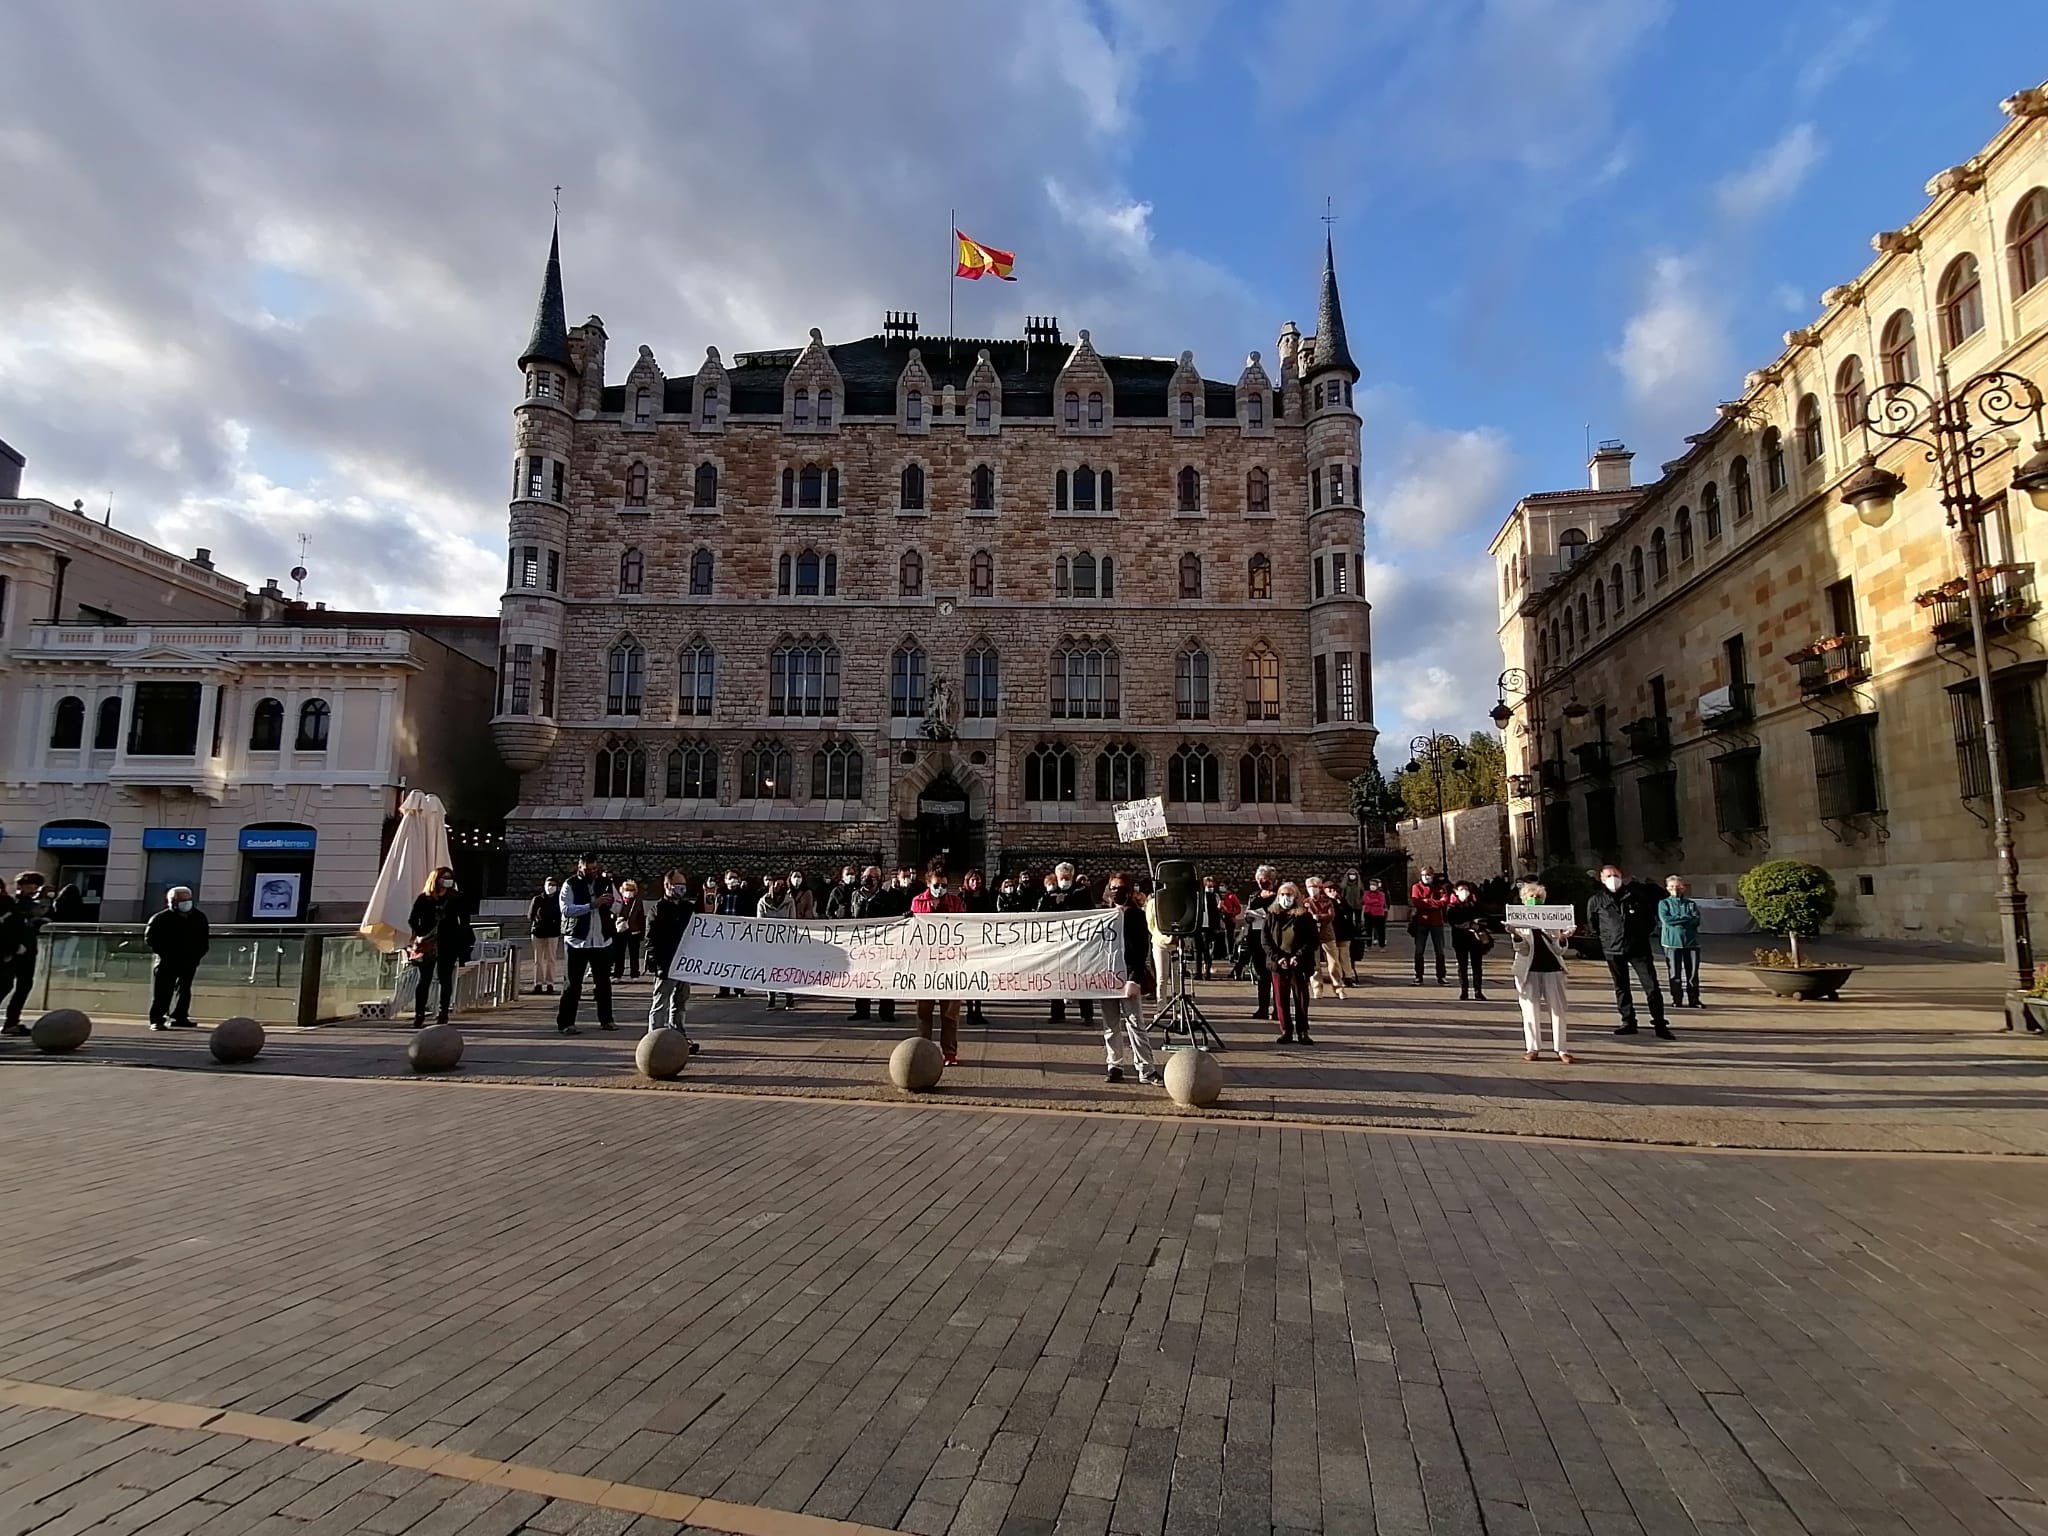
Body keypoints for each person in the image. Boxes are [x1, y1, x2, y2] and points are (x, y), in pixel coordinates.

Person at [1587, 864, 1674, 1039]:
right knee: (1621, 987)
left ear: (1621, 876)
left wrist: (1640, 935)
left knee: (1651, 986)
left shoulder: (1636, 896)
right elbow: (1593, 924)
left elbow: (1650, 920)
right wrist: (1606, 940)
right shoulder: (1597, 900)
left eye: (1615, 875)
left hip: (1638, 948)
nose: (1613, 878)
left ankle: (1659, 1023)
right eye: (1608, 876)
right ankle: (1628, 1021)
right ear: (1602, 880)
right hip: (1613, 949)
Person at [1100, 874, 1158, 1084]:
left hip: (1127, 975)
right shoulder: (1103, 915)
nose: (1116, 891)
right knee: (1110, 1024)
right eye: (1113, 887)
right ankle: (1114, 1065)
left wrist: (1135, 978)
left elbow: (1141, 949)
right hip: (1107, 977)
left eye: (1120, 888)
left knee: (1135, 1023)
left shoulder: (1135, 915)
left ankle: (1146, 1068)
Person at [1507, 880, 1572, 1063]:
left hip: (1552, 968)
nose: (1534, 900)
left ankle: (1561, 1049)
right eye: (1530, 897)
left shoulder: (1551, 919)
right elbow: (1522, 949)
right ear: (1524, 899)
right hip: (1529, 969)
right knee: (1530, 1009)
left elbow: (1559, 950)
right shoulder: (1518, 919)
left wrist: (1562, 938)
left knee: (1558, 1009)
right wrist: (1516, 935)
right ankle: (1532, 1048)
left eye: (1537, 897)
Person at [910, 859, 965, 1065]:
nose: (940, 889)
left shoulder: (956, 903)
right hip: (925, 965)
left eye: (943, 885)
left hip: (950, 965)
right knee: (923, 1012)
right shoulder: (918, 902)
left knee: (950, 1013)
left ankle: (950, 1053)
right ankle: (923, 1051)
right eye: (936, 885)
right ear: (928, 884)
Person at [407, 866, 475, 1030]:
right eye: (444, 877)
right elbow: (413, 919)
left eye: (449, 877)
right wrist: (422, 933)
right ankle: (420, 1014)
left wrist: (461, 937)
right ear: (436, 879)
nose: (447, 880)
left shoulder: (457, 898)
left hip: (449, 942)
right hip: (429, 942)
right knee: (424, 979)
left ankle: (443, 1012)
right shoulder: (424, 898)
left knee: (445, 979)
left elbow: (465, 920)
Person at [557, 852, 618, 1035]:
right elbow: (566, 910)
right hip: (577, 941)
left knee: (603, 983)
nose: (591, 872)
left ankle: (606, 1019)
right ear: (580, 867)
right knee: (572, 984)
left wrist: (612, 903)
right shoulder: (570, 884)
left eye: (594, 869)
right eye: (588, 869)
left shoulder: (605, 883)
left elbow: (619, 905)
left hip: (601, 940)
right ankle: (566, 1023)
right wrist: (591, 905)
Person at [645, 868, 699, 1050]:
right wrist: (657, 964)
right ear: (667, 886)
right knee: (661, 1003)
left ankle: (679, 1036)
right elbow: (651, 940)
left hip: (685, 964)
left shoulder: (687, 908)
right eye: (678, 885)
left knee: (680, 1003)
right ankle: (655, 1039)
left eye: (683, 885)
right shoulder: (657, 910)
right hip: (667, 964)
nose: (682, 889)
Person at [1036, 862, 1095, 1028]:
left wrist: (1068, 901)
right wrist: (1053, 900)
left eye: (1068, 877)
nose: (1065, 881)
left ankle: (1087, 1014)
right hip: (1057, 942)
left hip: (1077, 942)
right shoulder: (1050, 892)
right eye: (1062, 878)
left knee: (1081, 978)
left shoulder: (1081, 891)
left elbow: (1089, 911)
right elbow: (1040, 914)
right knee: (1057, 977)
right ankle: (1057, 1012)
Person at [144, 885, 209, 1031]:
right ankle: (157, 1019)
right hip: (166, 961)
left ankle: (180, 1016)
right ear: (172, 902)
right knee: (162, 991)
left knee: (184, 989)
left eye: (188, 899)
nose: (186, 903)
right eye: (181, 900)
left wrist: (197, 956)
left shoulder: (198, 917)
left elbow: (203, 940)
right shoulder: (160, 918)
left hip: (189, 960)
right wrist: (166, 954)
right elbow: (150, 939)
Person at [1263, 880, 1320, 1046]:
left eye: (1288, 895)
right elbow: (1266, 940)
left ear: (1296, 896)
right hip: (1279, 963)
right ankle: (1286, 1030)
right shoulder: (1272, 915)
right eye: (1282, 895)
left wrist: (1298, 957)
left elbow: (1312, 940)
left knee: (1301, 998)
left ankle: (1303, 1030)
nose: (1285, 898)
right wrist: (1278, 957)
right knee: (1281, 999)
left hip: (1298, 963)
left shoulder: (1304, 916)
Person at [0, 873, 52, 1035]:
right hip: (11, 950)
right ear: (20, 886)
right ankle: (11, 1023)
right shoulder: (9, 903)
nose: (33, 888)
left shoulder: (31, 903)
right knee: (4, 984)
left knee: (24, 985)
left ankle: (12, 1022)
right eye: (29, 885)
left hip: (28, 949)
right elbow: (11, 924)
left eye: (36, 885)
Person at [848, 867, 897, 1022]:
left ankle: (886, 1011)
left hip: (881, 943)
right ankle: (862, 1010)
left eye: (872, 877)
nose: (868, 879)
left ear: (879, 879)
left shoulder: (886, 897)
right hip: (861, 944)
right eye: (866, 876)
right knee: (862, 977)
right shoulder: (855, 895)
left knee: (884, 976)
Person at [1660, 875, 1703, 1009]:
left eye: (1678, 886)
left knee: (1692, 974)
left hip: (1691, 943)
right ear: (1667, 888)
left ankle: (1694, 999)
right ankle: (1677, 999)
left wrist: (1679, 919)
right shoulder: (1664, 903)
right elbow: (1667, 920)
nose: (1675, 889)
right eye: (1672, 887)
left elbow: (1696, 920)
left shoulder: (1691, 904)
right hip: (1671, 942)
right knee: (1675, 973)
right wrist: (1685, 918)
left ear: (1683, 888)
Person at [755, 874, 798, 1009]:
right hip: (770, 942)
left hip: (786, 941)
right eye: (777, 885)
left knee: (788, 969)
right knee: (770, 970)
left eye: (782, 885)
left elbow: (793, 920)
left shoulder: (789, 901)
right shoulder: (763, 902)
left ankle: (789, 998)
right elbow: (760, 922)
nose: (780, 887)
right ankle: (771, 998)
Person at [1446, 879, 1492, 1001]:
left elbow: (1484, 919)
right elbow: (1453, 922)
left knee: (1477, 966)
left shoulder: (1475, 905)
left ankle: (1478, 991)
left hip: (1475, 940)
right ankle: (1464, 991)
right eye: (1461, 890)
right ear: (1455, 892)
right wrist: (1471, 924)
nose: (1464, 892)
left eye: (1466, 889)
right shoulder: (1452, 907)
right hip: (1460, 940)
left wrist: (1477, 924)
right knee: (1462, 966)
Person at [1242, 866, 1279, 1016]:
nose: (1261, 882)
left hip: (1272, 937)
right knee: (1262, 975)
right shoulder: (1255, 895)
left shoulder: (1278, 895)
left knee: (1274, 974)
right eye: (1258, 880)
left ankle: (1278, 1009)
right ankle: (1262, 1007)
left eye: (1263, 880)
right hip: (1256, 936)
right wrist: (1248, 917)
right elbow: (1248, 913)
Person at [960, 869, 994, 1025]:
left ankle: (978, 1010)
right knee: (969, 977)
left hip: (982, 940)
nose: (975, 883)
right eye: (972, 880)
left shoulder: (986, 896)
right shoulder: (962, 897)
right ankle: (969, 1011)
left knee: (980, 976)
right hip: (967, 941)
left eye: (978, 880)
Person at [1408, 867, 1451, 986]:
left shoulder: (1439, 888)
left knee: (1440, 950)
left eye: (1428, 875)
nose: (1426, 877)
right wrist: (1433, 903)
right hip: (1422, 922)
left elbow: (1444, 902)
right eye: (1424, 875)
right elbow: (1417, 902)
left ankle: (1441, 976)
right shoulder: (1416, 887)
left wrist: (1428, 902)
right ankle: (1418, 976)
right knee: (1419, 950)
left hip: (1436, 922)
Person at [1306, 877, 1348, 1000]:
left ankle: (1339, 987)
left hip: (1327, 935)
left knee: (1334, 963)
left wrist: (1317, 917)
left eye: (1315, 887)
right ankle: (1317, 988)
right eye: (1310, 887)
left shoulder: (1327, 901)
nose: (1312, 890)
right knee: (1315, 964)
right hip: (1312, 936)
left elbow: (1330, 916)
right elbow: (1304, 916)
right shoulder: (1306, 902)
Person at [528, 875, 562, 994]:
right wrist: (537, 922)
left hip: (553, 932)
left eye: (553, 885)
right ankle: (537, 983)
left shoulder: (559, 900)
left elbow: (561, 915)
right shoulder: (538, 899)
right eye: (549, 885)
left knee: (551, 959)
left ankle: (550, 983)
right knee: (538, 959)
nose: (550, 887)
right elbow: (531, 915)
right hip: (539, 932)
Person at [1194, 875, 1229, 980]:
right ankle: (1198, 972)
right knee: (1198, 950)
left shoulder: (1215, 895)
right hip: (1199, 926)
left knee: (1207, 950)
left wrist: (1220, 909)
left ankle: (1207, 972)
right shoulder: (1199, 895)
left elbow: (1219, 911)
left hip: (1209, 926)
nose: (1210, 886)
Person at [612, 879, 646, 979]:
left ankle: (634, 973)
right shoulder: (618, 901)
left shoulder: (637, 902)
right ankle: (618, 974)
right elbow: (613, 913)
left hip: (634, 931)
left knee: (634, 954)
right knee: (619, 954)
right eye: (627, 890)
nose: (629, 892)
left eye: (631, 890)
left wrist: (642, 932)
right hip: (620, 930)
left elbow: (641, 918)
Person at [1360, 877, 1389, 951]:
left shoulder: (1381, 894)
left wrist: (1371, 901)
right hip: (1368, 913)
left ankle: (1382, 946)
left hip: (1379, 914)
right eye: (1371, 885)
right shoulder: (1366, 893)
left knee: (1380, 931)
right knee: (1368, 930)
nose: (1372, 886)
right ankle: (1368, 945)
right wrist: (1375, 901)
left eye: (1374, 885)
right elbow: (1365, 901)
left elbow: (1381, 903)